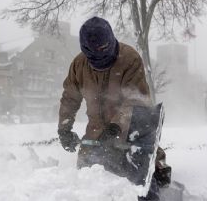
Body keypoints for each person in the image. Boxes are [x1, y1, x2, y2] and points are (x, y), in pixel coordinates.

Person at [57, 17, 171, 200]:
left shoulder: (129, 59)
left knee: (141, 183)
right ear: (86, 50)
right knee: (88, 180)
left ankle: (156, 167)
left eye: (104, 48)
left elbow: (137, 100)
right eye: (95, 51)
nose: (101, 53)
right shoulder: (79, 65)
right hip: (95, 136)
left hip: (129, 131)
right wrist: (64, 129)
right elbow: (70, 98)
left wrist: (117, 125)